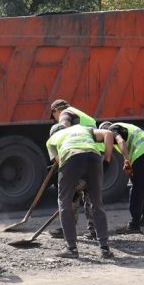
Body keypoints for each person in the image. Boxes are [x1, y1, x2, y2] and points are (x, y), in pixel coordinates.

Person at [46, 123, 114, 259]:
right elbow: (108, 134)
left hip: (71, 158)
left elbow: (61, 162)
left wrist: (75, 185)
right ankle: (105, 248)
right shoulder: (83, 128)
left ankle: (71, 248)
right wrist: (106, 159)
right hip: (94, 158)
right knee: (96, 202)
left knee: (64, 202)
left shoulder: (51, 140)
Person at [49, 99, 100, 239]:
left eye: (53, 115)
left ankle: (68, 228)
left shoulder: (65, 114)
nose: (55, 119)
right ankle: (95, 231)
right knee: (89, 195)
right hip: (94, 155)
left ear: (56, 110)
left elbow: (62, 130)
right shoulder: (80, 115)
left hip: (78, 155)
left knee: (72, 192)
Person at [99, 121, 144, 233]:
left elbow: (121, 141)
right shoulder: (124, 126)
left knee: (136, 188)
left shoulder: (112, 129)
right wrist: (130, 166)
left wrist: (127, 161)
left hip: (141, 152)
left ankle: (134, 225)